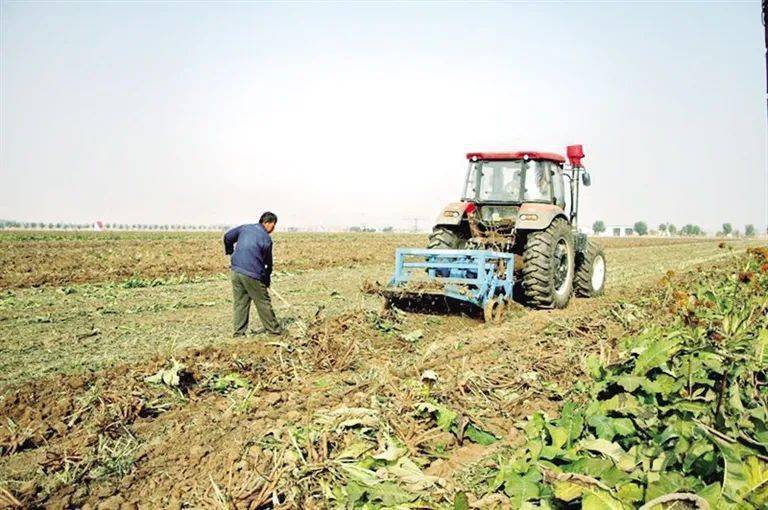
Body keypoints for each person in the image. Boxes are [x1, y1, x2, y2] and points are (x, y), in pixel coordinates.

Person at [223, 212, 283, 336]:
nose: (273, 228)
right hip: (252, 274)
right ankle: (274, 331)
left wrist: (230, 252)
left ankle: (239, 333)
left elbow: (227, 237)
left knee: (240, 303)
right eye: (273, 225)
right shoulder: (266, 239)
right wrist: (266, 279)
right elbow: (267, 263)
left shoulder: (245, 228)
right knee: (263, 302)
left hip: (236, 271)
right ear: (267, 223)